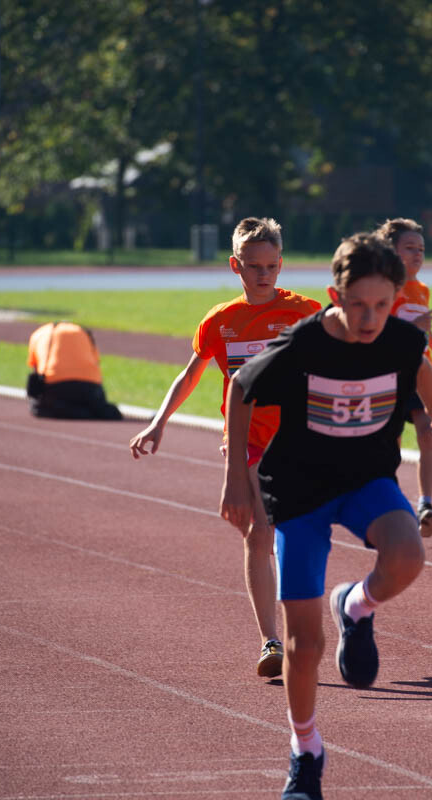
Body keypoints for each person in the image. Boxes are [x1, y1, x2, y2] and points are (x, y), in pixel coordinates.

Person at [220, 232, 432, 799]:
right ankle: (306, 753)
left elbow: (419, 369)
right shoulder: (303, 345)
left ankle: (356, 604)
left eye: (381, 304)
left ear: (395, 298)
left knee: (408, 554)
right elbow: (240, 390)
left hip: (365, 479)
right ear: (335, 295)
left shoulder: (401, 341)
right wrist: (235, 481)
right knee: (305, 645)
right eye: (357, 305)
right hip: (299, 491)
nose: (369, 318)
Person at [129, 217, 321, 679]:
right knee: (258, 535)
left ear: (282, 264)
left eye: (271, 266)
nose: (263, 274)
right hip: (249, 443)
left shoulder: (304, 312)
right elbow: (191, 373)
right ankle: (271, 641)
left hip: (301, 441)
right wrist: (159, 423)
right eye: (253, 266)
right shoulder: (221, 321)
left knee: (299, 536)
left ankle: (312, 623)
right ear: (236, 266)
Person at [374, 218, 432, 537]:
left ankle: (426, 503)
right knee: (391, 443)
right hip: (388, 374)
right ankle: (391, 503)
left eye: (421, 249)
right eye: (409, 248)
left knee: (427, 431)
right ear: (392, 252)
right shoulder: (385, 288)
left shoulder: (421, 289)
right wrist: (413, 328)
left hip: (417, 373)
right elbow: (383, 328)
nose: (417, 254)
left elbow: (425, 326)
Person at [26, 321, 122, 420]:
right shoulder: (83, 332)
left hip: (55, 384)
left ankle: (76, 411)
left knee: (39, 407)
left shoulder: (39, 333)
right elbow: (96, 361)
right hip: (90, 386)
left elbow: (35, 368)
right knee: (97, 407)